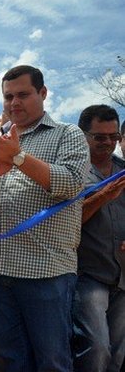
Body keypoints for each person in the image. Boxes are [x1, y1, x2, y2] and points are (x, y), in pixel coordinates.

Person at [0, 65, 89, 371]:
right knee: (9, 357)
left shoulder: (67, 134)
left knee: (52, 358)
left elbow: (71, 182)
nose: (13, 103)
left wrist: (18, 158)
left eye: (23, 94)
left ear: (43, 94)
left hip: (45, 270)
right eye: (8, 96)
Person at [73, 104, 125, 372]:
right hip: (89, 273)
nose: (108, 143)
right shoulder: (72, 172)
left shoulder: (123, 169)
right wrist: (102, 196)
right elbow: (66, 222)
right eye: (100, 137)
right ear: (83, 136)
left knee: (118, 353)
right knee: (96, 347)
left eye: (113, 137)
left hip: (123, 275)